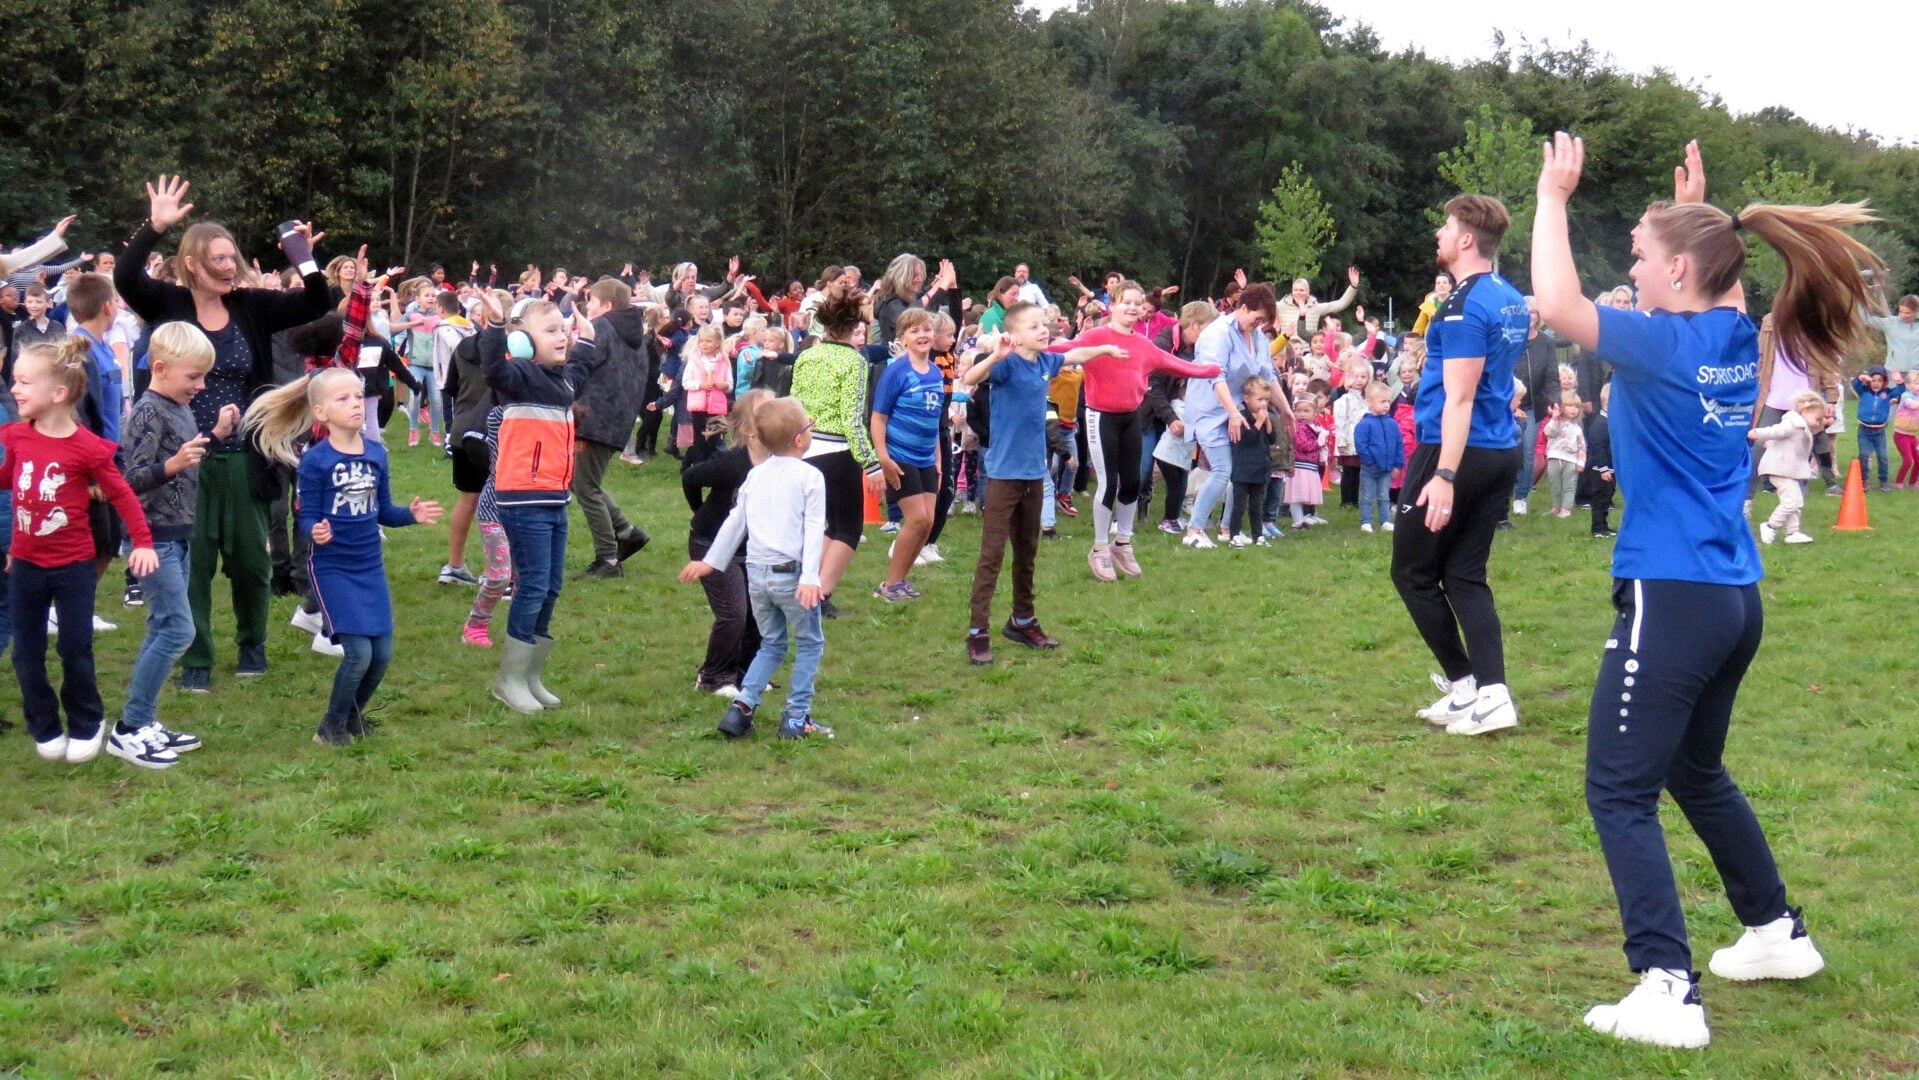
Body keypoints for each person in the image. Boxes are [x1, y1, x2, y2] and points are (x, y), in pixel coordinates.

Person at [1533, 132, 1878, 1049]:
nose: (1631, 268)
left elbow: (1557, 301)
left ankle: (1665, 987)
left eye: (1643, 255)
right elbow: (1711, 279)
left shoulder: (1658, 342)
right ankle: (1773, 935)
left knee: (1616, 789)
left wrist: (1553, 196)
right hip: (1731, 598)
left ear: (1677, 267)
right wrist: (1700, 209)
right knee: (1693, 770)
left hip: (1672, 594)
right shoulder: (1728, 329)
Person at [113, 176, 331, 691]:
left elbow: (316, 301)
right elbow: (125, 278)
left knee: (253, 564)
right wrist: (155, 226)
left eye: (233, 257)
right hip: (183, 460)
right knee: (193, 567)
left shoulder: (251, 306)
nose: (230, 266)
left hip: (243, 457)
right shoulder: (167, 303)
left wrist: (302, 255)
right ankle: (197, 659)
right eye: (220, 258)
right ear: (192, 262)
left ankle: (252, 646)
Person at [1391, 194, 1529, 738]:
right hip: (1499, 449)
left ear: (1468, 238)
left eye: (1446, 226)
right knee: (1464, 573)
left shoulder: (1464, 305)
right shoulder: (1510, 297)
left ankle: (1468, 683)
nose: (1439, 235)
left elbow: (1460, 398)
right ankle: (1486, 694)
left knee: (1412, 572)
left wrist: (1444, 475)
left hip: (1456, 450)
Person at [247, 368, 442, 745]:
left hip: (370, 565)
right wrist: (314, 531)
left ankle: (352, 716)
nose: (355, 404)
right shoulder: (316, 461)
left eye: (357, 396)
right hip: (332, 567)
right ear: (320, 413)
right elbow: (306, 515)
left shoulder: (376, 454)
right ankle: (330, 725)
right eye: (343, 399)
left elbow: (382, 510)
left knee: (381, 654)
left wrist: (411, 515)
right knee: (357, 654)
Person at [3, 343, 158, 763]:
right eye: (14, 380)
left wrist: (141, 542)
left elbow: (122, 494)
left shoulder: (86, 447)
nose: (14, 388)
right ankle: (44, 724)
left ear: (57, 393)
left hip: (73, 566)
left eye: (23, 381)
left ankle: (87, 721)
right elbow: (9, 480)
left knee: (75, 648)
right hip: (26, 565)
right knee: (26, 652)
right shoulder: (16, 436)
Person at [959, 305, 1116, 665]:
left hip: (1034, 475)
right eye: (1035, 326)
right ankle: (977, 631)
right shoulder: (1007, 363)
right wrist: (995, 355)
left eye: (1044, 325)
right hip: (1001, 476)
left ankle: (1022, 621)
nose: (1044, 330)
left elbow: (1075, 352)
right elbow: (971, 378)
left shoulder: (1046, 362)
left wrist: (1105, 349)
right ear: (1015, 332)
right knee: (992, 554)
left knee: (1027, 552)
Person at [1044, 280, 1220, 580]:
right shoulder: (1097, 336)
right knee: (1107, 483)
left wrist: (1213, 370)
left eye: (1138, 303)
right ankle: (1099, 549)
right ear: (1112, 305)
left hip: (1131, 418)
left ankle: (1122, 543)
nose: (1132, 307)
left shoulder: (1143, 344)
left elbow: (1175, 364)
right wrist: (1030, 346)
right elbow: (1063, 349)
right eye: (1126, 301)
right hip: (1101, 417)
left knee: (1133, 482)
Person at [114, 323, 232, 768]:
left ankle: (140, 722)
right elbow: (130, 480)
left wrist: (215, 435)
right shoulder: (148, 412)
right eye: (193, 378)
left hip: (177, 537)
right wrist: (173, 463)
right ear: (160, 369)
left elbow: (187, 458)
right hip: (152, 540)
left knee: (162, 627)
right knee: (178, 630)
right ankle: (129, 728)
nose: (200, 386)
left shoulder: (176, 406)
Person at [680, 397, 832, 741]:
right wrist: (810, 577)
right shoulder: (811, 477)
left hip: (757, 575)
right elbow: (813, 530)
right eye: (808, 426)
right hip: (792, 576)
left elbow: (735, 523)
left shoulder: (756, 475)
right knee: (809, 643)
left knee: (772, 644)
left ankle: (742, 707)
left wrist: (710, 562)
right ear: (799, 439)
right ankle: (796, 717)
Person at [478, 298, 593, 714]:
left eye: (563, 328)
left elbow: (581, 369)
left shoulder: (560, 380)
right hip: (522, 499)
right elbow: (493, 367)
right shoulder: (520, 375)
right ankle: (508, 681)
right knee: (531, 588)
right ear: (523, 341)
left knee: (551, 587)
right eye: (550, 330)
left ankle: (530, 676)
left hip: (553, 498)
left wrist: (588, 340)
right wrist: (494, 325)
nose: (561, 336)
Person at [787, 286, 883, 619]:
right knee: (849, 528)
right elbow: (853, 418)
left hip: (806, 447)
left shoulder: (806, 355)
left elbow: (794, 404)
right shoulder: (854, 361)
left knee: (827, 525)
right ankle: (819, 594)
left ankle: (809, 585)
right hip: (838, 451)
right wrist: (871, 464)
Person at [682, 389, 772, 697]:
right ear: (748, 430)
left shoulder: (781, 465)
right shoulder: (732, 464)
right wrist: (698, 511)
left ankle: (746, 672)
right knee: (734, 611)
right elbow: (691, 477)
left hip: (752, 549)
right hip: (711, 544)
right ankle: (713, 676)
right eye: (764, 412)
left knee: (759, 612)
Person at [1180, 284, 1282, 548]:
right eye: (1257, 317)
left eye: (1263, 321)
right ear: (1243, 307)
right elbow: (1216, 375)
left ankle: (1228, 530)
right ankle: (1194, 530)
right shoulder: (1217, 334)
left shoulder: (1257, 336)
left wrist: (1286, 410)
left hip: (1239, 412)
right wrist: (1233, 413)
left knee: (1236, 472)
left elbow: (1267, 375)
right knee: (1223, 470)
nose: (1258, 324)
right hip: (1212, 411)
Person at [570, 277, 651, 578]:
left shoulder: (601, 328)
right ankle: (627, 532)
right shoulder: (637, 335)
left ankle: (608, 559)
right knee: (581, 481)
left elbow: (580, 367)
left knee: (584, 486)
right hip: (618, 420)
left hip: (592, 418)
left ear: (606, 305)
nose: (587, 307)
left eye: (590, 301)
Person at [869, 310, 946, 600]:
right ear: (903, 337)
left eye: (927, 329)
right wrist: (883, 457)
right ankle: (889, 585)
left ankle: (901, 581)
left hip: (927, 458)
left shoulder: (936, 372)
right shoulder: (896, 372)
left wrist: (938, 459)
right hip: (900, 456)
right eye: (914, 331)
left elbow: (935, 420)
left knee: (927, 522)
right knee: (916, 520)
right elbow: (878, 418)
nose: (922, 335)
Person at [1748, 391, 1826, 545]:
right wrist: (1759, 433)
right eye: (1817, 419)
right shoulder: (1793, 424)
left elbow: (1785, 440)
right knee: (1791, 501)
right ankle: (1770, 526)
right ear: (1805, 412)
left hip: (1788, 469)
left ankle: (1792, 532)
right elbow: (1776, 431)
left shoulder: (1802, 427)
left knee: (1796, 501)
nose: (1818, 423)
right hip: (1779, 469)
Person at [1226, 377, 1276, 547]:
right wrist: (1259, 421)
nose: (1264, 403)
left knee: (1257, 506)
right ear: (1247, 398)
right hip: (1243, 470)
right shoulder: (1241, 417)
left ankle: (1258, 535)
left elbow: (1272, 438)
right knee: (1239, 505)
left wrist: (1267, 421)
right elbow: (1247, 439)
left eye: (1266, 400)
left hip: (1260, 470)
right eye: (1260, 399)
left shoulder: (1263, 416)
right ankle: (1234, 535)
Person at [1354, 380, 1404, 533]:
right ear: (1370, 402)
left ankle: (1385, 521)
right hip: (1370, 468)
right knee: (1367, 496)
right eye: (1382, 401)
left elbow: (1398, 444)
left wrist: (1398, 464)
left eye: (1388, 401)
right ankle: (1366, 521)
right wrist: (1369, 461)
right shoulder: (1365, 424)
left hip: (1387, 468)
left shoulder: (1392, 423)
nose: (1386, 405)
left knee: (1384, 496)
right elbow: (1361, 445)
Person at [1275, 267, 1360, 342]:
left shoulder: (1316, 307)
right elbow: (1263, 304)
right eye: (1295, 290)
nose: (1298, 293)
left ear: (1308, 292)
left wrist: (1353, 286)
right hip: (1288, 351)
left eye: (1301, 290)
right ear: (1292, 292)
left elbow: (1340, 304)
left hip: (1309, 352)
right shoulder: (1281, 306)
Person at [1850, 364, 1898, 491]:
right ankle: (1863, 480)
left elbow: (1901, 389)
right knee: (1864, 454)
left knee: (1883, 456)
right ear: (1869, 381)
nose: (1876, 384)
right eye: (1874, 380)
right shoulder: (1864, 391)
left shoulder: (1887, 393)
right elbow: (1855, 384)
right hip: (1864, 431)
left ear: (1885, 382)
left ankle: (1883, 481)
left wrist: (1899, 380)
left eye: (1880, 381)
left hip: (1879, 432)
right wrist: (1860, 378)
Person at [1284, 393, 1328, 528]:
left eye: (1306, 411)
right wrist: (1318, 442)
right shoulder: (1298, 427)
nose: (1302, 414)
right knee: (1297, 494)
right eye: (1298, 410)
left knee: (1306, 492)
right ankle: (1297, 520)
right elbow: (1303, 445)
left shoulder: (1316, 426)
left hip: (1311, 465)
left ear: (1315, 412)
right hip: (1299, 465)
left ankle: (1308, 515)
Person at [1542, 392, 1588, 517]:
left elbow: (1582, 446)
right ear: (1561, 407)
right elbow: (1548, 432)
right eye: (1570, 406)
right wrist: (1554, 418)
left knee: (1569, 485)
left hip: (1571, 460)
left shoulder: (1577, 428)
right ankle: (1556, 507)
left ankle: (1566, 509)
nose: (1573, 409)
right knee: (1555, 485)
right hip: (1554, 457)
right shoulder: (1556, 422)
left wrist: (1581, 462)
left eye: (1576, 407)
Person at [1861, 293, 1918, 383]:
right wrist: (1860, 298)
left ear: (1916, 312)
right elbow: (1865, 319)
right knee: (1894, 397)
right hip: (1894, 373)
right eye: (1901, 311)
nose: (1903, 315)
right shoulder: (1890, 323)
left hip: (1915, 374)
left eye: (1907, 313)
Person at [1587, 383, 1616, 537]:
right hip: (1601, 470)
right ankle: (1597, 527)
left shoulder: (1610, 423)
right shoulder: (1600, 425)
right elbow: (1597, 448)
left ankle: (1604, 526)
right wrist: (1603, 468)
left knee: (1606, 498)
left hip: (1610, 468)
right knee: (1599, 499)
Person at [1894, 378, 1919, 488]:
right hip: (1901, 435)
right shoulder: (1906, 396)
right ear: (1908, 385)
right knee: (1908, 460)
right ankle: (1898, 482)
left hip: (1912, 435)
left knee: (1918, 460)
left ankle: (1913, 483)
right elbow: (1912, 406)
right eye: (1917, 383)